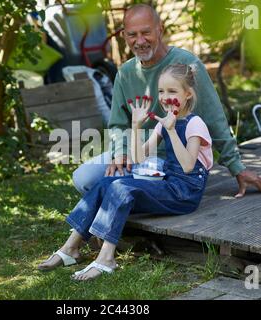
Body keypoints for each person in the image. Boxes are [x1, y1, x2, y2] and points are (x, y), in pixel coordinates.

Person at [72, 4, 261, 199]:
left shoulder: (186, 64)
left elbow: (214, 119)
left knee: (126, 185)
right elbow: (117, 124)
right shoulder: (125, 73)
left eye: (146, 33)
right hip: (137, 153)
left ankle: (131, 203)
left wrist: (237, 168)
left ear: (160, 30)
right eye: (132, 35)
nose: (140, 41)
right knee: (83, 179)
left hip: (176, 158)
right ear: (124, 36)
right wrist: (120, 153)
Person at [38, 63, 213, 281]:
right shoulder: (164, 122)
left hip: (185, 193)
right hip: (168, 183)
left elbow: (188, 166)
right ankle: (70, 248)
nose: (165, 97)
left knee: (121, 188)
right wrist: (136, 125)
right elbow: (139, 158)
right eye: (161, 91)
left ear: (188, 94)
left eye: (172, 91)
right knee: (106, 182)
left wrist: (171, 131)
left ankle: (106, 259)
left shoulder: (195, 124)